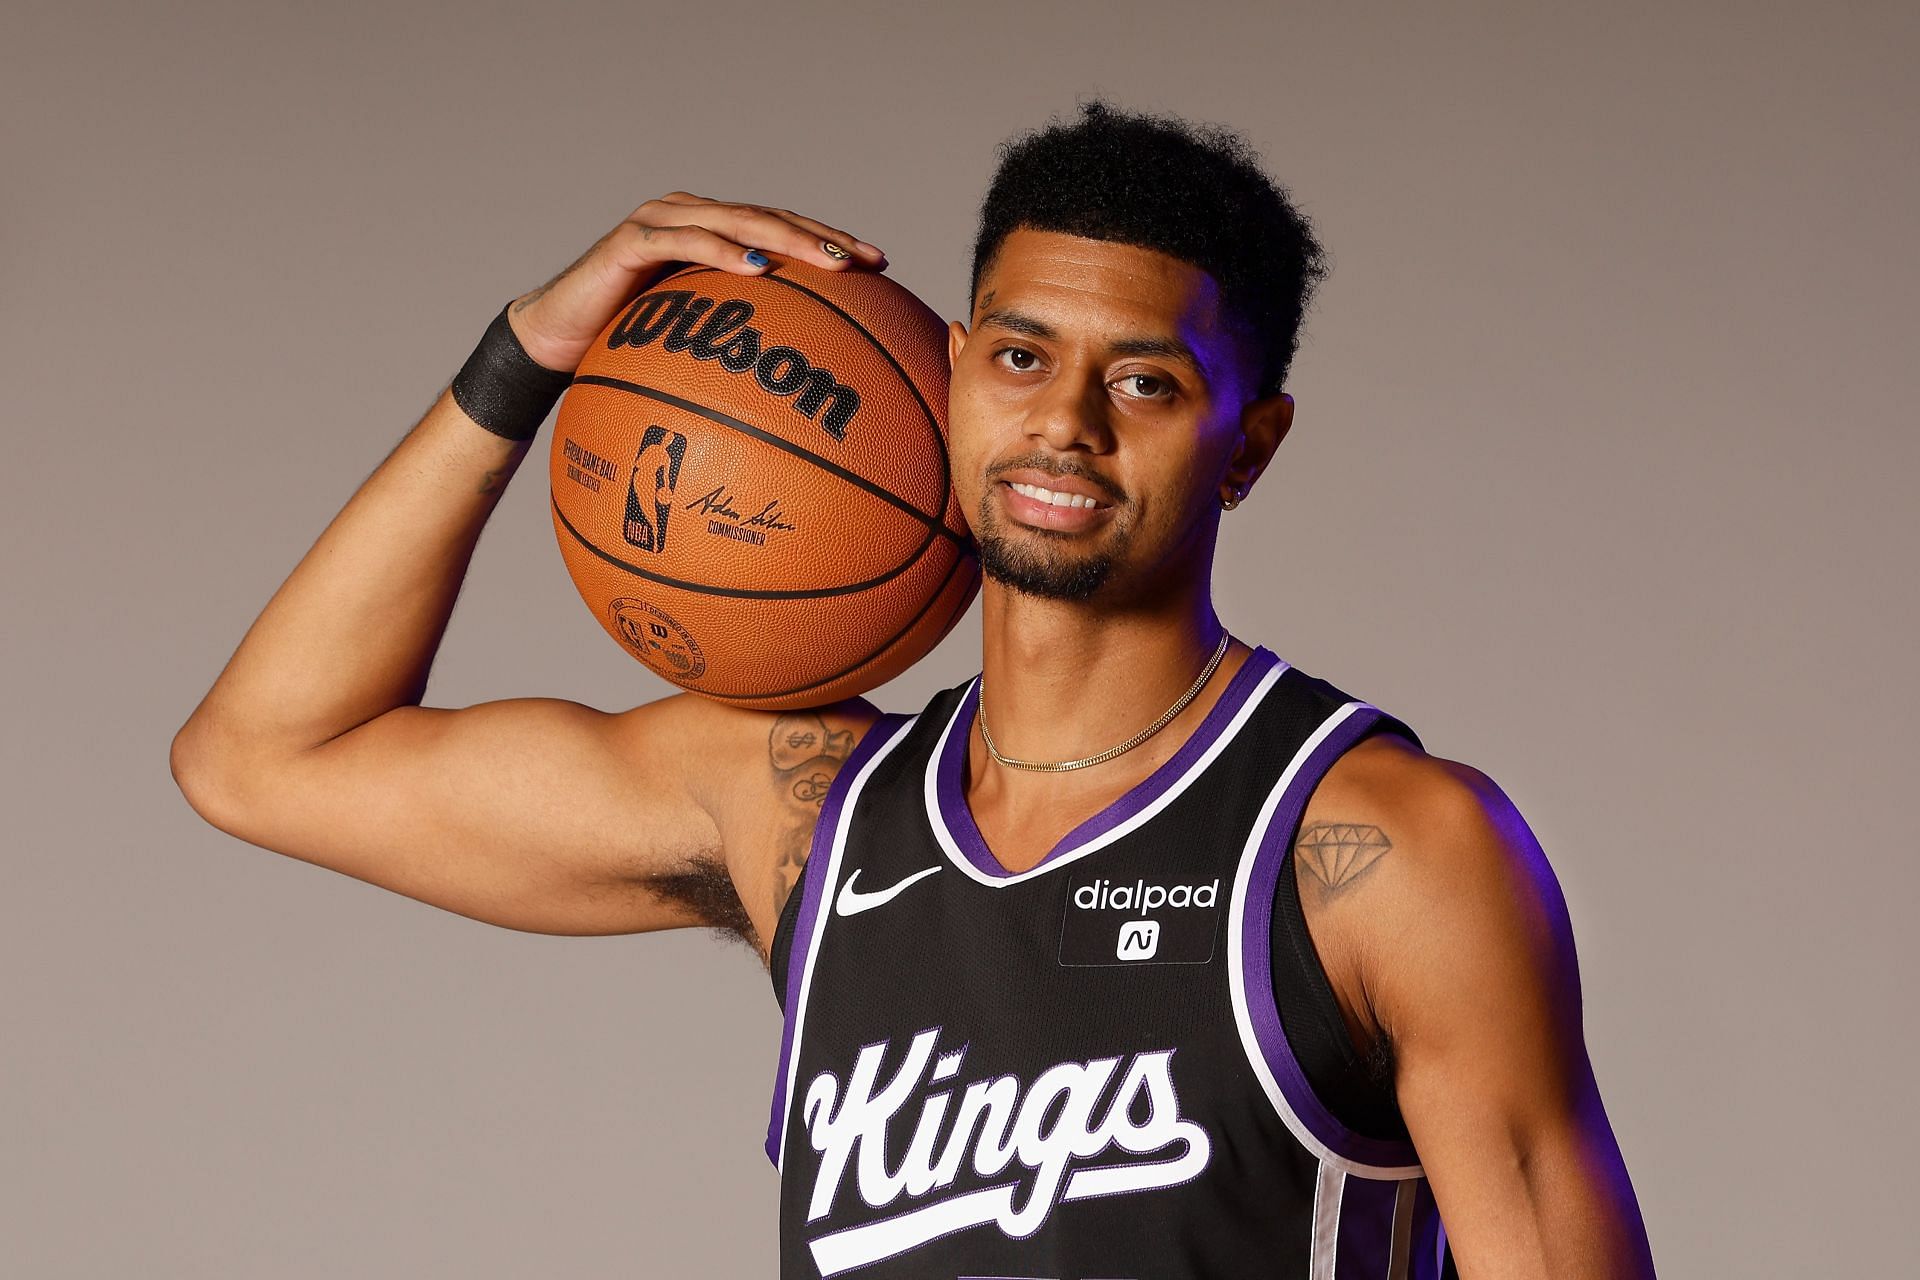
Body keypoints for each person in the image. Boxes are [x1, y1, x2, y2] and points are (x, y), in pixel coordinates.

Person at [171, 101, 1657, 1278]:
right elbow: (265, 757)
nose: (1061, 425)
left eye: (1144, 383)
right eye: (1019, 357)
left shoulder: (1389, 852)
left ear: (1250, 443)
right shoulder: (806, 809)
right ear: (949, 379)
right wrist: (530, 356)